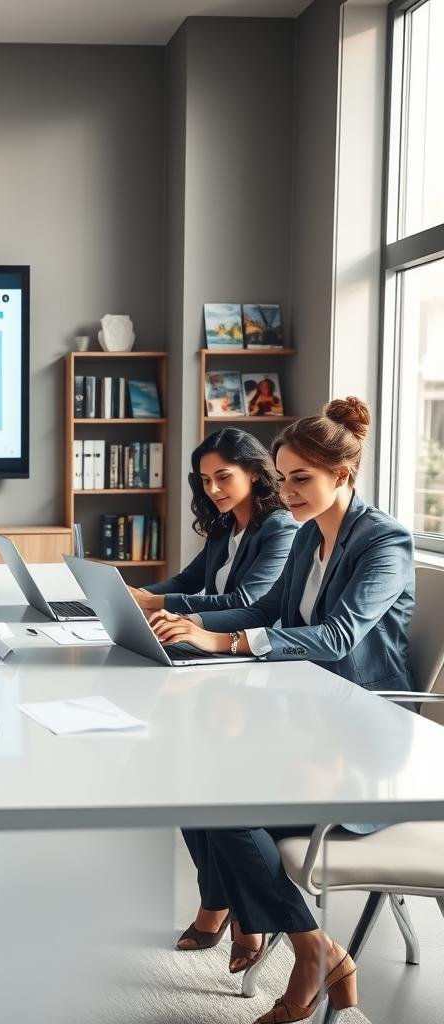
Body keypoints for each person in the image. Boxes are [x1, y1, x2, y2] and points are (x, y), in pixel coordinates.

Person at [150, 397, 413, 1023]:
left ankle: (307, 950)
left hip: (362, 739)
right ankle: (314, 947)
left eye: (303, 479)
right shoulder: (310, 535)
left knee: (227, 805)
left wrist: (226, 642)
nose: (288, 492)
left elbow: (340, 636)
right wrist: (191, 624)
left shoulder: (385, 542)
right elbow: (268, 614)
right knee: (194, 782)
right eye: (284, 476)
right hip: (307, 720)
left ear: (342, 475)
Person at [129, 428, 297, 615]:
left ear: (254, 472)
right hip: (209, 633)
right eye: (206, 480)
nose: (213, 490)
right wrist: (136, 595)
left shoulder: (281, 527)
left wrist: (151, 601)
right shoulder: (224, 525)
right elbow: (187, 581)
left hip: (250, 642)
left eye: (223, 477)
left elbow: (245, 601)